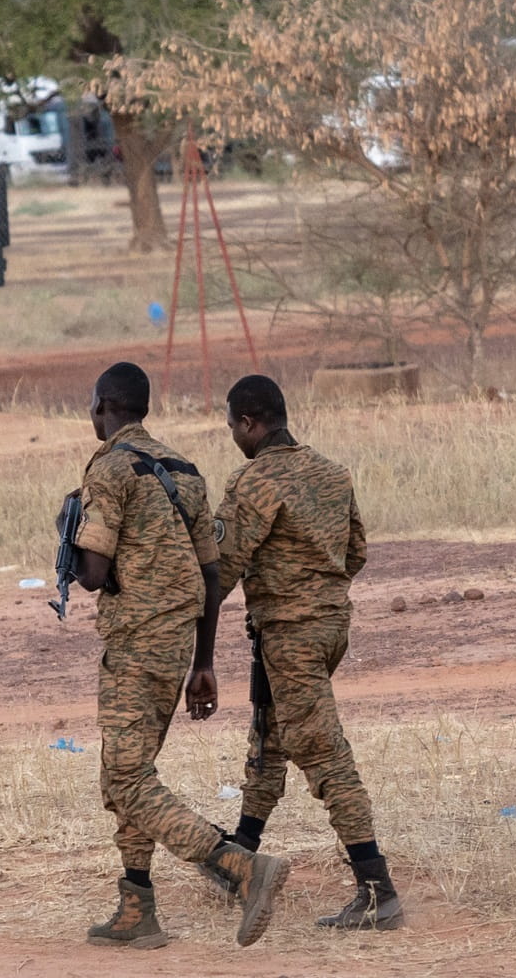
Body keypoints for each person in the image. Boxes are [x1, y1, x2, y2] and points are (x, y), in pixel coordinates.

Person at [68, 362, 289, 949]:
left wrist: (66, 541)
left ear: (103, 406)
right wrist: (204, 663)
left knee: (127, 776)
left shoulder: (110, 470)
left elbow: (92, 573)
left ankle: (236, 866)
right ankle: (135, 905)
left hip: (135, 645)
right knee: (128, 773)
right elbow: (211, 573)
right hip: (176, 647)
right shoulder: (184, 471)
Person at [201, 373, 402, 930]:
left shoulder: (252, 482)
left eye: (232, 426)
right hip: (331, 626)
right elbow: (356, 551)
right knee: (270, 732)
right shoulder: (332, 473)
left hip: (289, 634)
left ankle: (376, 889)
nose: (232, 437)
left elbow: (224, 567)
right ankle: (240, 853)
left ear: (248, 422)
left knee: (323, 754)